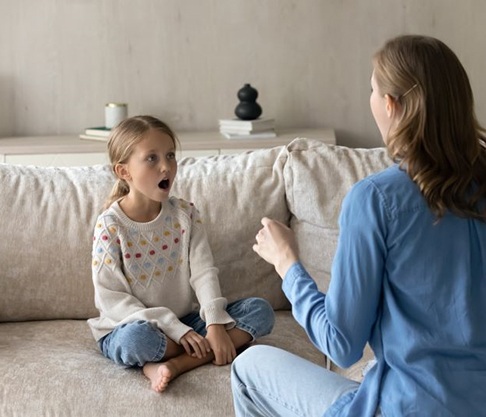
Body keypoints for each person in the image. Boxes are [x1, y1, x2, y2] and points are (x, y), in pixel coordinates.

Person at [231, 34, 486, 416]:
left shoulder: (376, 198)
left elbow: (341, 343)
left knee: (247, 368)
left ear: (390, 104)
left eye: (371, 89)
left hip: (407, 408)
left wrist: (287, 263)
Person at [87, 115, 274, 393]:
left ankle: (173, 364)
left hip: (185, 321)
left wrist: (213, 324)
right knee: (136, 341)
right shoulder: (110, 226)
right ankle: (197, 352)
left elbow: (203, 272)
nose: (166, 167)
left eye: (170, 155)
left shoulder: (185, 214)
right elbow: (112, 300)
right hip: (129, 326)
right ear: (123, 171)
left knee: (260, 311)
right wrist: (175, 329)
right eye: (151, 158)